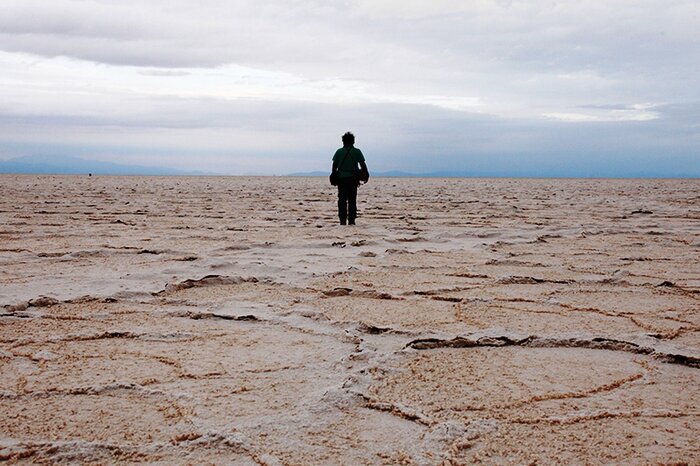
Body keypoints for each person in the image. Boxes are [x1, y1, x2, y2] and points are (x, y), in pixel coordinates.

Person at [332, 132, 368, 225]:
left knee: (342, 200)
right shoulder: (357, 152)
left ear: (343, 141)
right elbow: (363, 166)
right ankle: (352, 221)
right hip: (353, 179)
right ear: (353, 141)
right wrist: (366, 175)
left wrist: (334, 175)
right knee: (352, 200)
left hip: (341, 179)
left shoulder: (339, 152)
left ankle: (342, 221)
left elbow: (334, 166)